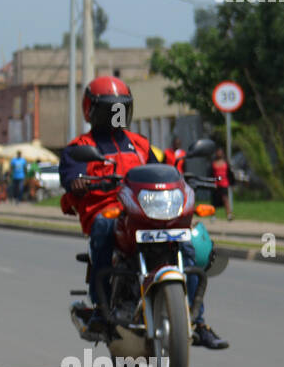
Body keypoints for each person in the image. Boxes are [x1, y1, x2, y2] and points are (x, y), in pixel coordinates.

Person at [59, 74, 227, 349]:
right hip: (111, 211)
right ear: (91, 109)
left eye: (120, 108)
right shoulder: (80, 148)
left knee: (189, 243)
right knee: (102, 226)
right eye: (108, 108)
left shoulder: (141, 143)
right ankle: (101, 307)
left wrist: (183, 175)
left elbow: (164, 168)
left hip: (147, 208)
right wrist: (77, 183)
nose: (115, 113)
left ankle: (197, 321)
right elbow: (71, 174)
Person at [212, 146, 233, 220]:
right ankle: (213, 215)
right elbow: (211, 173)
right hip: (216, 184)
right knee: (214, 201)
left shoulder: (225, 162)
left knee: (225, 199)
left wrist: (232, 183)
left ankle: (229, 214)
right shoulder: (213, 163)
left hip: (224, 183)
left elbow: (230, 174)